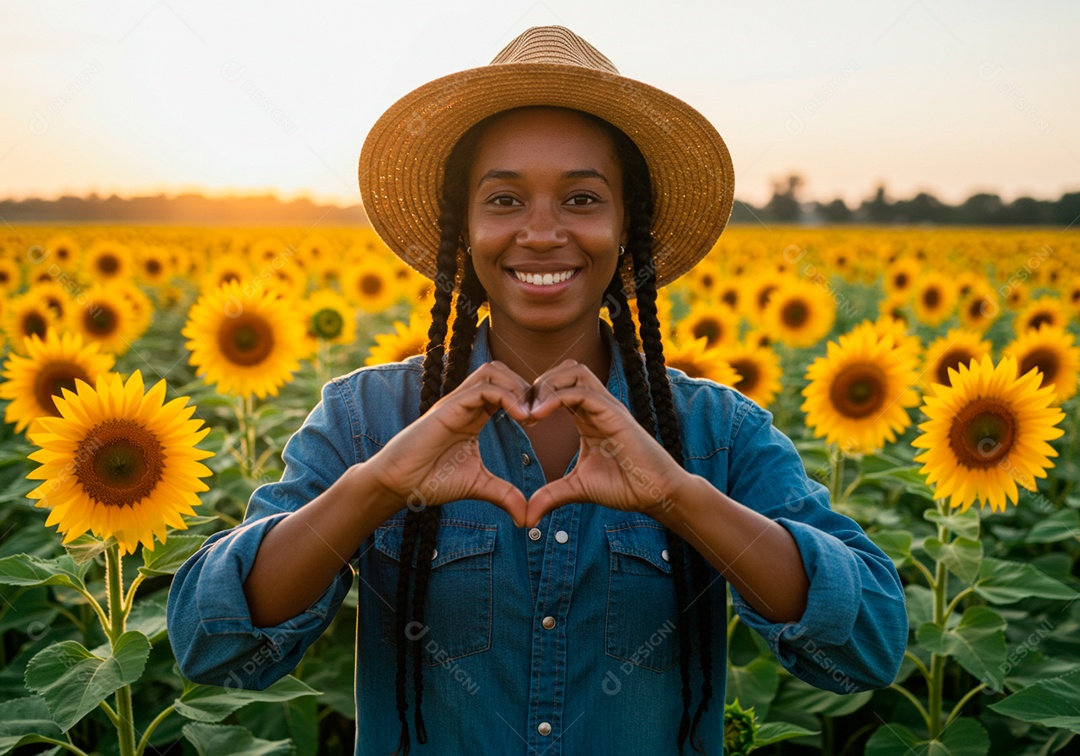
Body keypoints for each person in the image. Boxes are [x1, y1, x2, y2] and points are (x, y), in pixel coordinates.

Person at [167, 26, 907, 755]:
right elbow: (215, 643)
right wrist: (378, 486)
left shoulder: (716, 432)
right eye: (504, 200)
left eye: (583, 200)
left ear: (628, 227)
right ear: (464, 228)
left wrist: (680, 497)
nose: (543, 232)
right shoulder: (369, 419)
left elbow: (867, 646)